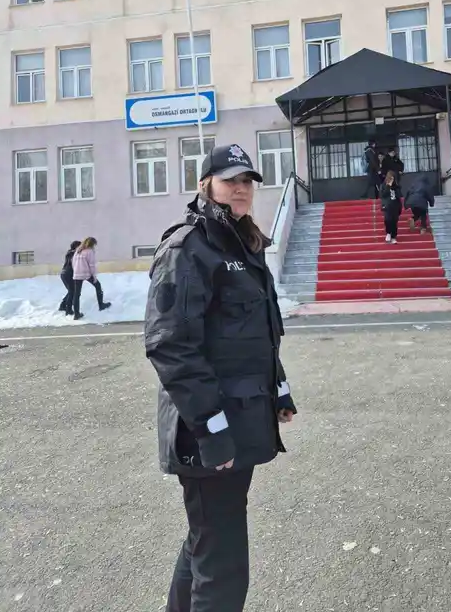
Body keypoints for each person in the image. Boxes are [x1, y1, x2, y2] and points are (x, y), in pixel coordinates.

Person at [144, 143, 297, 612]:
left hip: (240, 418)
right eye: (230, 179)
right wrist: (212, 431)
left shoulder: (242, 243)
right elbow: (170, 345)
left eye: (247, 180)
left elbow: (255, 333)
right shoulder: (188, 249)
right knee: (223, 560)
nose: (241, 188)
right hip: (209, 429)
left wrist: (279, 390)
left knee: (207, 538)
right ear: (205, 184)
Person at [71, 237, 111, 321]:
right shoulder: (89, 251)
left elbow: (73, 262)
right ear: (92, 244)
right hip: (86, 273)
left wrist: (76, 271)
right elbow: (92, 265)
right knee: (98, 286)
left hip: (77, 274)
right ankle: (101, 305)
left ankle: (76, 314)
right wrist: (94, 276)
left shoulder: (78, 251)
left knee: (77, 294)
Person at [58, 240, 81, 316]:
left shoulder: (70, 252)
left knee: (71, 291)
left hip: (64, 273)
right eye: (80, 246)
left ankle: (63, 305)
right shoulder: (73, 253)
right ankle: (68, 310)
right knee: (72, 291)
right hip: (68, 274)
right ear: (76, 247)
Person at [380, 172, 402, 244]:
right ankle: (388, 233)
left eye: (393, 178)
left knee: (394, 221)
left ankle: (393, 237)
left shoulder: (396, 187)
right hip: (387, 206)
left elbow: (399, 196)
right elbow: (383, 195)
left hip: (395, 206)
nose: (391, 180)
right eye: (390, 178)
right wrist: (388, 186)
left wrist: (400, 207)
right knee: (388, 220)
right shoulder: (383, 185)